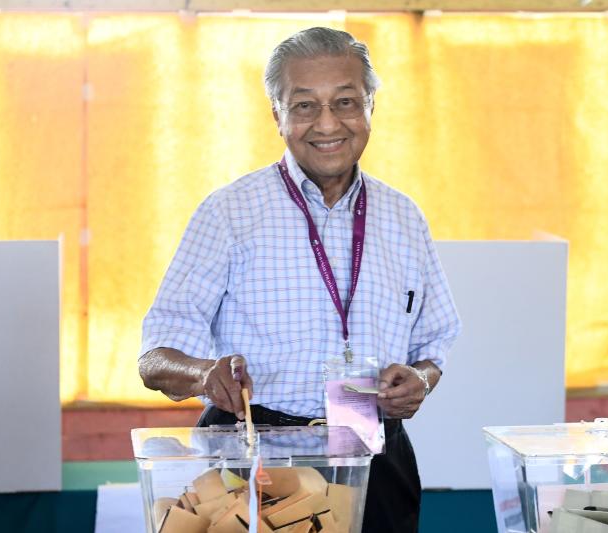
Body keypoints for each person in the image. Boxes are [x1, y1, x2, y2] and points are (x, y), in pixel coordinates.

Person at [139, 26, 461, 533]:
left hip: (374, 456)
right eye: (305, 105)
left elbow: (434, 345)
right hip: (253, 461)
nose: (328, 123)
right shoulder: (229, 213)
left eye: (347, 102)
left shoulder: (404, 217)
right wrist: (205, 375)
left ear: (371, 107)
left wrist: (419, 379)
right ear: (277, 115)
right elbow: (155, 357)